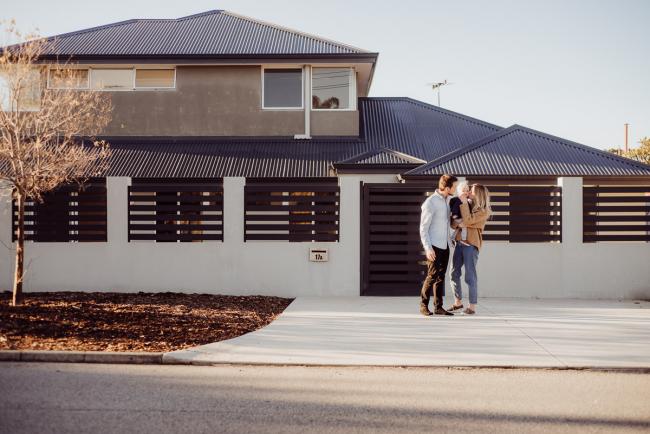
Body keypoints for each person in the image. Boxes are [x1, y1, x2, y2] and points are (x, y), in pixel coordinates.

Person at [448, 184, 492, 315]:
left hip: (471, 245)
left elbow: (466, 221)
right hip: (459, 243)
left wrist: (463, 219)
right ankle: (458, 302)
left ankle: (472, 307)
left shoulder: (483, 211)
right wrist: (460, 220)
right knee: (453, 273)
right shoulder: (465, 204)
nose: (468, 193)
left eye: (471, 191)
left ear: (478, 194)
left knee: (470, 276)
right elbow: (453, 223)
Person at [419, 174, 457, 316]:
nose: (456, 188)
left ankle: (438, 307)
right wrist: (427, 248)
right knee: (432, 276)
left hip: (445, 245)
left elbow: (447, 224)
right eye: (454, 186)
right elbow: (423, 228)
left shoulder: (449, 201)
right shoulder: (430, 202)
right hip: (434, 245)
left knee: (441, 277)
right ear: (447, 188)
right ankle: (423, 305)